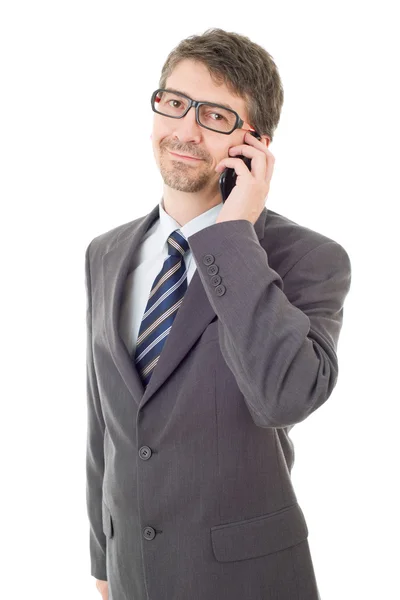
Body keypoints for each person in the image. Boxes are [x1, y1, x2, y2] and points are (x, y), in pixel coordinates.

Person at [85, 28, 351, 600]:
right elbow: (102, 424)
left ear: (255, 143)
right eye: (175, 103)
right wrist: (104, 561)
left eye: (214, 116)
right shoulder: (104, 253)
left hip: (247, 581)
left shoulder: (311, 259)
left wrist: (232, 233)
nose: (184, 129)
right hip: (134, 576)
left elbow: (286, 395)